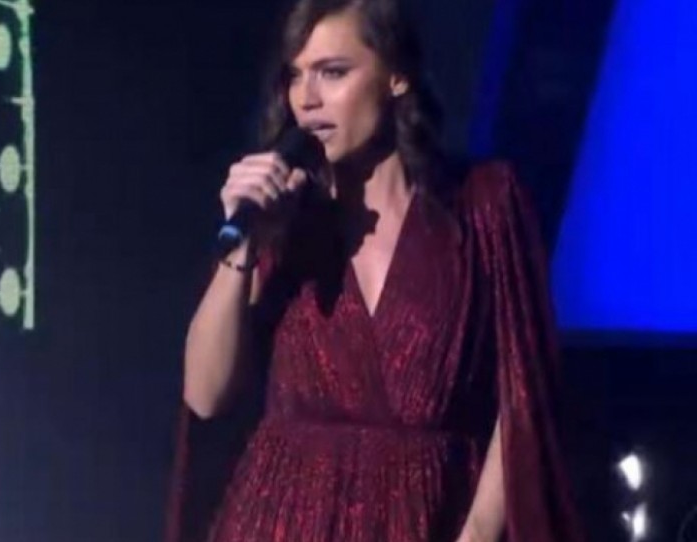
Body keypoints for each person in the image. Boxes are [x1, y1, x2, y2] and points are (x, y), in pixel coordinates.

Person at [167, 0, 584, 540]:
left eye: (333, 72)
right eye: (295, 75)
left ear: (397, 76)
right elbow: (205, 395)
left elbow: (523, 393)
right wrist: (244, 246)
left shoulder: (483, 205)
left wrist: (479, 530)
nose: (306, 99)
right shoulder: (286, 218)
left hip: (429, 514)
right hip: (280, 519)